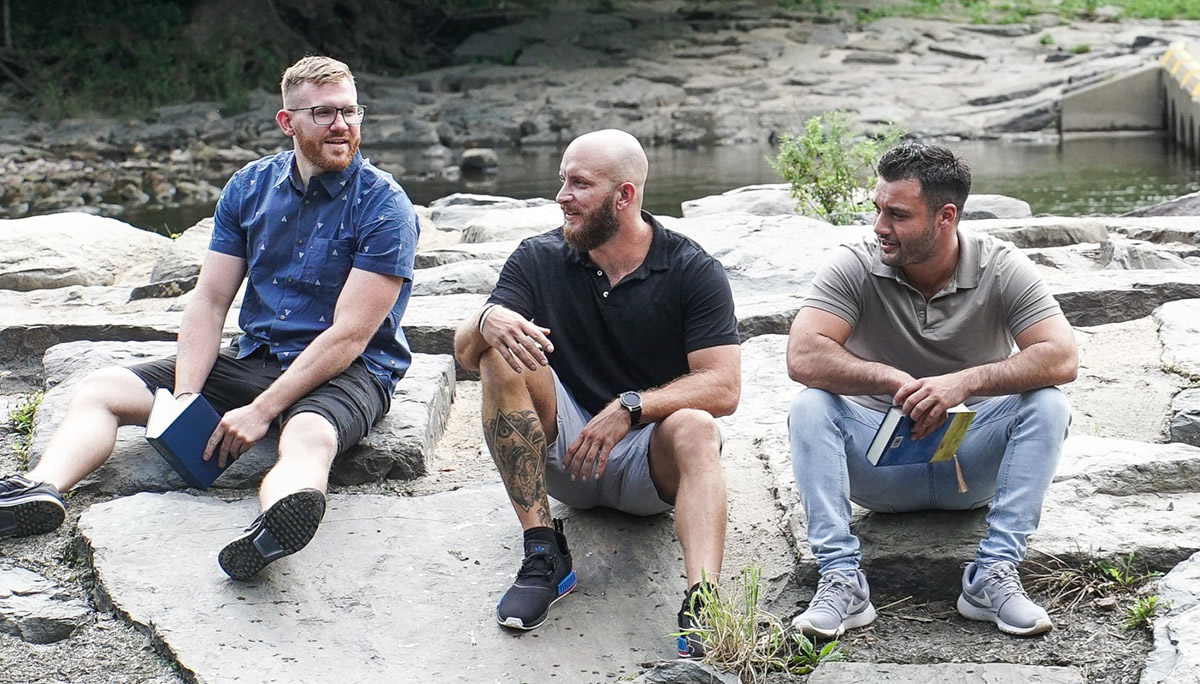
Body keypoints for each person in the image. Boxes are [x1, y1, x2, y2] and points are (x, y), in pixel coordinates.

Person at [0, 56, 419, 581]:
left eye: (350, 111)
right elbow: (210, 300)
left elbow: (350, 336)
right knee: (104, 387)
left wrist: (260, 412)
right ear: (287, 122)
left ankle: (274, 526)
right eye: (323, 113)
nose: (341, 125)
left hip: (346, 370)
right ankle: (41, 490)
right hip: (255, 357)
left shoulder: (384, 205)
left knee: (309, 434)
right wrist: (186, 396)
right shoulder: (250, 187)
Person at [452, 129, 741, 657]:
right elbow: (466, 355)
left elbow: (724, 386)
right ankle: (543, 551)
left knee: (699, 425)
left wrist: (632, 408)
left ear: (624, 196)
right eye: (563, 180)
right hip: (561, 456)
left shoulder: (691, 269)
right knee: (501, 353)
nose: (562, 195)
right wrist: (486, 318)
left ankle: (705, 601)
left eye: (579, 184)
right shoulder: (537, 258)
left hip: (646, 469)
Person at [786, 142, 1077, 638]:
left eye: (897, 215)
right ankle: (840, 580)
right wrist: (892, 378)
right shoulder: (855, 263)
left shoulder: (1001, 266)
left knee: (1049, 403)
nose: (880, 226)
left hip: (971, 468)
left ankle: (993, 576)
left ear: (946, 216)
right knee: (810, 406)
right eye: (877, 209)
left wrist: (964, 382)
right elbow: (803, 356)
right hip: (878, 469)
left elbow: (1062, 356)